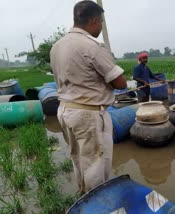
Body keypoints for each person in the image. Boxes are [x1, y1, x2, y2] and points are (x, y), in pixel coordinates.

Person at [50, 0, 127, 193]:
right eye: (101, 22)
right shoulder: (92, 46)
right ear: (93, 20)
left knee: (78, 157)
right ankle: (97, 202)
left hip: (65, 110)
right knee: (96, 164)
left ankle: (83, 195)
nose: (101, 26)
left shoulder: (57, 47)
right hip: (88, 114)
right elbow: (120, 83)